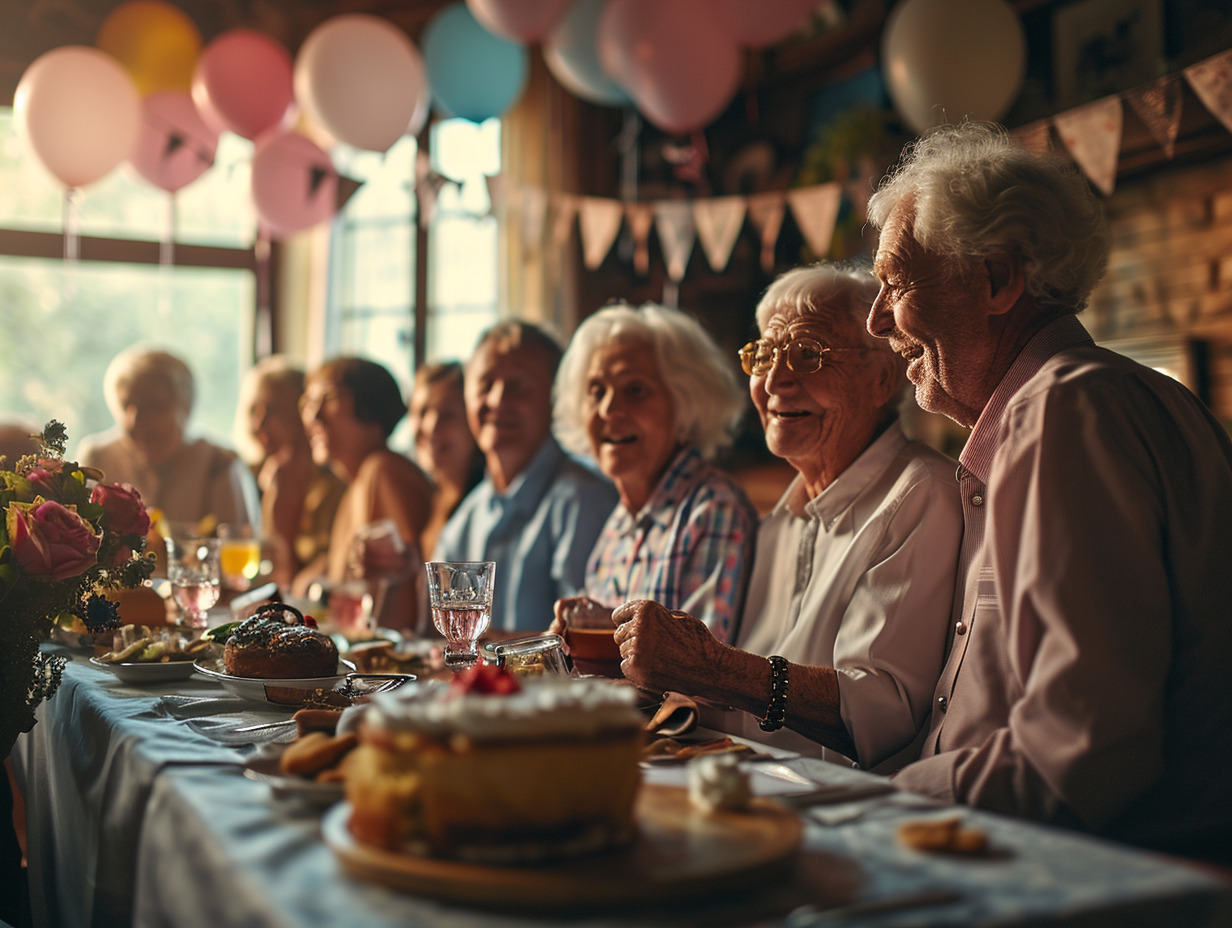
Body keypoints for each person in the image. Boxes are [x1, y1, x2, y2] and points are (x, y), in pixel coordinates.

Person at [865, 122, 1232, 860]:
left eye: (895, 285)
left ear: (997, 280)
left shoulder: (1065, 407)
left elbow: (1082, 755)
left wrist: (877, 803)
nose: (877, 321)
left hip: (1108, 878)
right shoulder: (1131, 399)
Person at [614, 265, 963, 769]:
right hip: (742, 779)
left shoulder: (920, 494)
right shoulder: (781, 520)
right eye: (763, 355)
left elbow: (880, 715)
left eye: (807, 354)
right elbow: (738, 697)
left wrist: (713, 668)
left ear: (882, 378)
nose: (775, 380)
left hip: (848, 807)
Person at [549, 302, 758, 643]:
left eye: (635, 390)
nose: (609, 409)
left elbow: (703, 665)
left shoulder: (713, 509)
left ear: (686, 405)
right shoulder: (619, 523)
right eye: (596, 390)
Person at [436, 321, 619, 632]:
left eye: (518, 386)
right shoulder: (464, 520)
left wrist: (486, 647)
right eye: (485, 384)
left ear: (555, 400)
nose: (497, 400)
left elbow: (585, 640)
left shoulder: (583, 499)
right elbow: (437, 633)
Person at [295, 356, 433, 633]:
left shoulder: (383, 471)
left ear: (372, 406)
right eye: (310, 403)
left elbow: (405, 604)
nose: (314, 416)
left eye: (330, 398)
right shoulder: (355, 485)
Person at [77, 347, 259, 530]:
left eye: (152, 406)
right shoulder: (96, 460)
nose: (135, 420)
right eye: (126, 405)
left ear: (185, 407)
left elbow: (236, 545)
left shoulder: (218, 463)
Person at [236, 357, 345, 589]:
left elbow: (286, 582)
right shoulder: (249, 476)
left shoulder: (337, 482)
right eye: (255, 410)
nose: (260, 423)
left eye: (274, 410)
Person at [406, 361, 483, 559]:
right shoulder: (431, 500)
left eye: (448, 414)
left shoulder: (484, 507)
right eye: (422, 412)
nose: (431, 426)